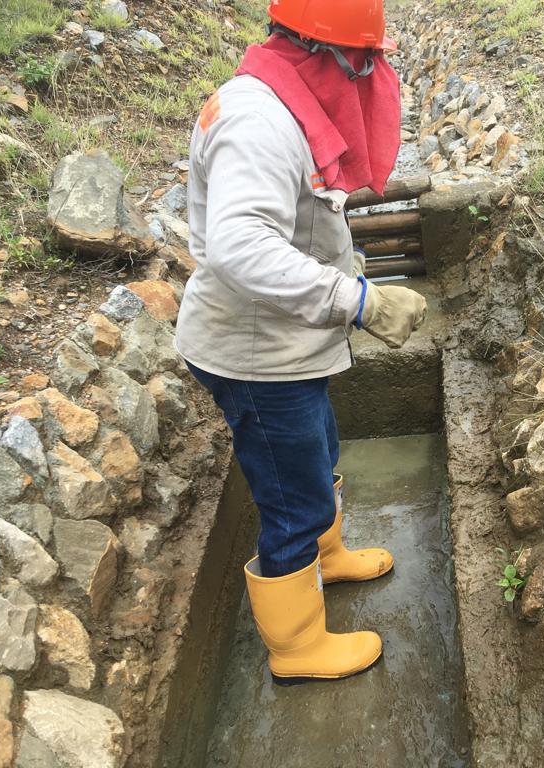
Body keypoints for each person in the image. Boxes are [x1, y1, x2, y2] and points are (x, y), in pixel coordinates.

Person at [175, 0, 426, 684]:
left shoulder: (284, 97)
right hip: (256, 356)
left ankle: (327, 555)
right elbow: (242, 247)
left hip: (285, 344)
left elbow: (298, 223)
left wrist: (351, 278)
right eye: (365, 63)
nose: (371, 76)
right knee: (292, 499)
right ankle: (297, 648)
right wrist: (359, 300)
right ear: (326, 53)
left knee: (319, 449)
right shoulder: (257, 124)